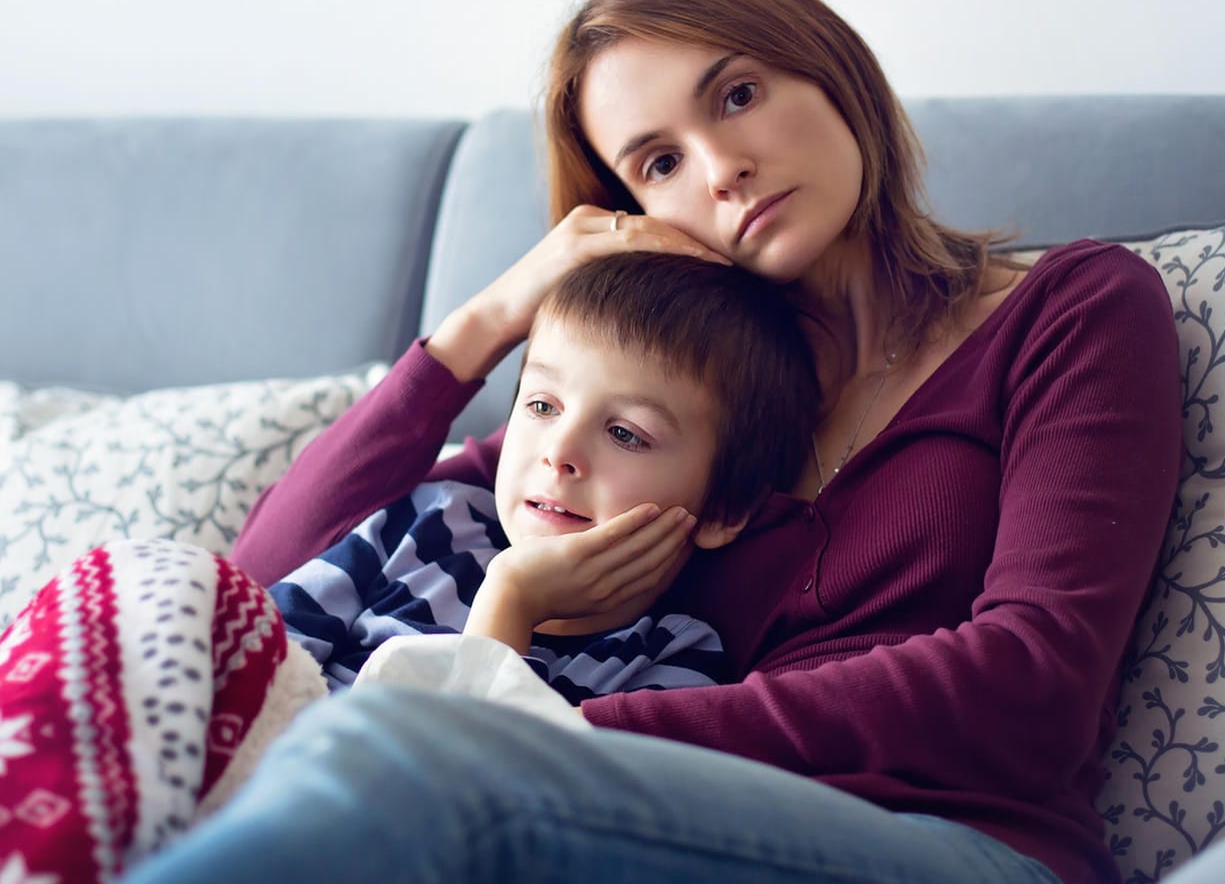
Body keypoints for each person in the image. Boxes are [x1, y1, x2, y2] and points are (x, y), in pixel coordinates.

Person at [129, 0, 1183, 884]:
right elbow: (268, 578)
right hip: (641, 826)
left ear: (831, 66)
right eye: (660, 163)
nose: (723, 169)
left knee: (399, 752)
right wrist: (493, 316)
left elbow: (1034, 684)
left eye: (736, 95)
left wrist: (556, 735)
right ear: (637, 217)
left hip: (960, 846)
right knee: (341, 752)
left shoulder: (1072, 308)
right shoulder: (660, 415)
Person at [271, 249, 821, 703]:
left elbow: (463, 791)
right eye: (541, 406)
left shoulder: (672, 667)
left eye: (625, 433)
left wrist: (511, 600)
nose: (559, 453)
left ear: (722, 508)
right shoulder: (425, 521)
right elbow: (244, 660)